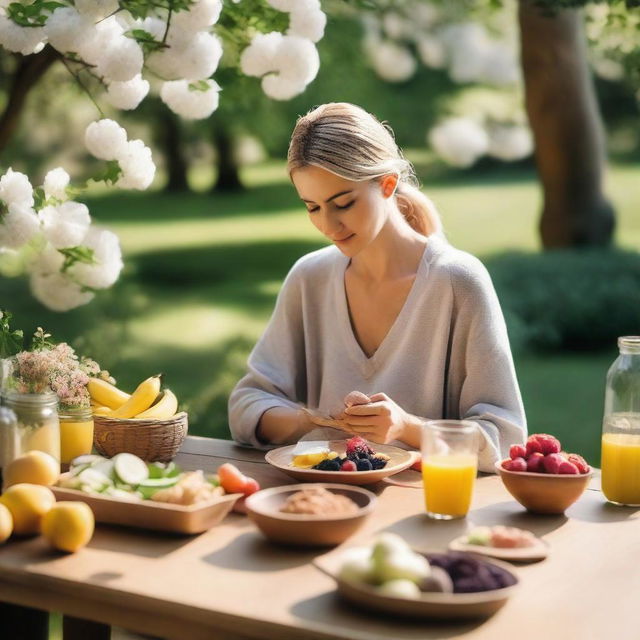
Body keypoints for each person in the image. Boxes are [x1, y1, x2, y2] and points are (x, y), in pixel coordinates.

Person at [228, 102, 526, 472]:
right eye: (312, 207)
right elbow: (246, 403)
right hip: (320, 503)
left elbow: (507, 437)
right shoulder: (310, 278)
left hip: (423, 513)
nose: (328, 225)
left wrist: (407, 426)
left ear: (386, 184)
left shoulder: (457, 281)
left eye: (343, 203)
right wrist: (309, 420)